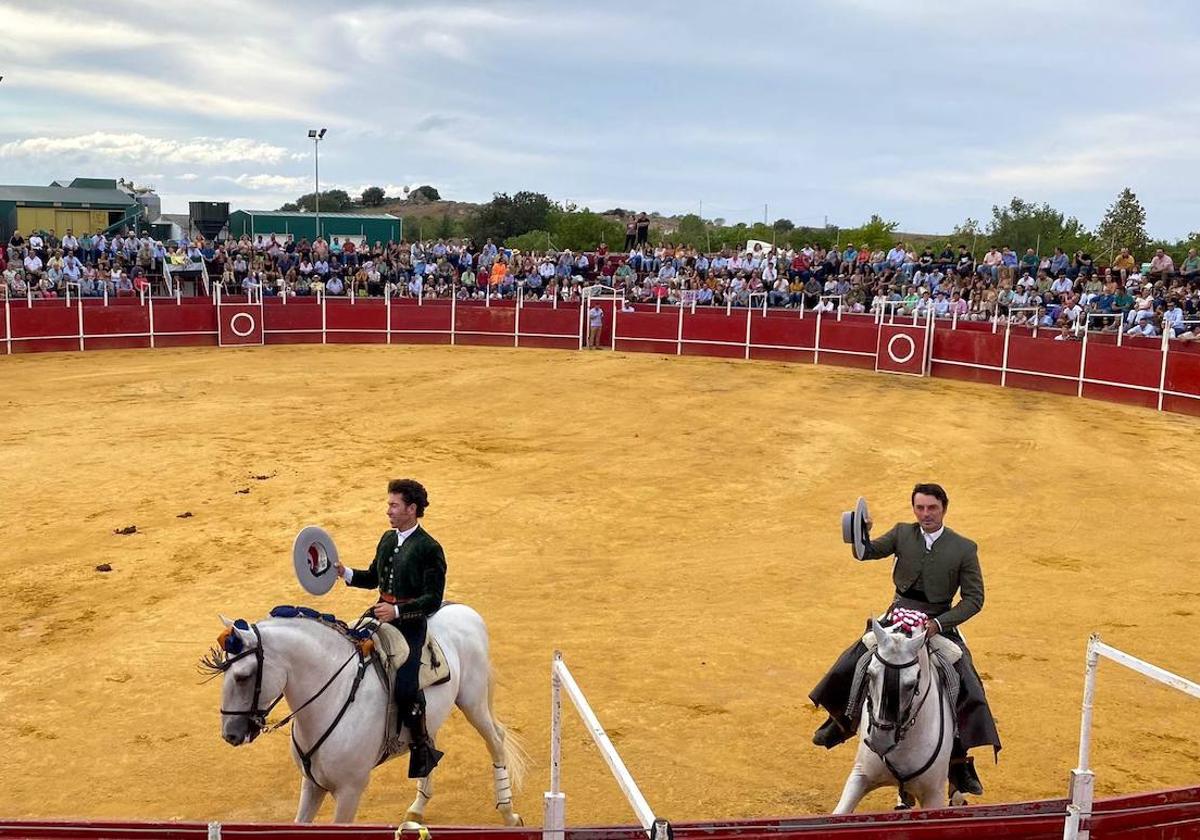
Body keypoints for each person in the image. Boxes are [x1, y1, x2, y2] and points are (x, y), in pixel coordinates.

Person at [809, 483, 1000, 797]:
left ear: (944, 509)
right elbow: (866, 553)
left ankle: (959, 761)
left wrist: (939, 624)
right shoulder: (902, 533)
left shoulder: (964, 548)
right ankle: (841, 721)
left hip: (937, 623)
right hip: (897, 616)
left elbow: (974, 599)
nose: (925, 514)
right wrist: (861, 532)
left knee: (964, 678)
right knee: (857, 657)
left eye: (932, 508)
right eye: (920, 508)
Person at [334, 479, 447, 778]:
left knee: (407, 686)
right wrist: (345, 572)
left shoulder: (429, 548)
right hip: (379, 615)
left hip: (410, 625)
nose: (388, 511)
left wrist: (397, 611)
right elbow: (374, 577)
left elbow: (432, 599)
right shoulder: (387, 539)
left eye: (394, 505)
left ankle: (421, 745)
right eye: (389, 505)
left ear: (412, 509)